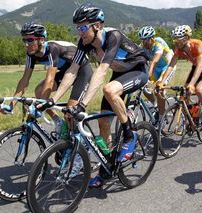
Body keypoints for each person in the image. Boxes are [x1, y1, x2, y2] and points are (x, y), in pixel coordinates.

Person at [40, 3, 149, 188]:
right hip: (119, 74)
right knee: (103, 123)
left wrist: (82, 104)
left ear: (97, 25)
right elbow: (72, 71)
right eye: (77, 27)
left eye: (83, 27)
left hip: (138, 69)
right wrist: (53, 99)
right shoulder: (84, 43)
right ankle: (107, 168)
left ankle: (130, 135)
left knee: (109, 89)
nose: (80, 32)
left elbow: (101, 72)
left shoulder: (112, 37)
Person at [0, 23, 93, 138]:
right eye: (24, 40)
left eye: (30, 40)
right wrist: (11, 105)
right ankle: (57, 121)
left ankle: (82, 146)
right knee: (39, 91)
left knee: (70, 113)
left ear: (41, 40)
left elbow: (50, 80)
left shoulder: (51, 49)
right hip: (66, 71)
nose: (26, 44)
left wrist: (41, 106)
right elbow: (24, 80)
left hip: (82, 71)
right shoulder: (31, 53)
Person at [156, 25, 202, 128]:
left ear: (186, 38)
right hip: (196, 66)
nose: (175, 42)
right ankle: (190, 118)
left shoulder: (198, 45)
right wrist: (162, 81)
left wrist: (192, 84)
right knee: (185, 93)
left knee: (198, 90)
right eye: (174, 39)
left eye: (178, 39)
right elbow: (171, 65)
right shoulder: (178, 48)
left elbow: (199, 66)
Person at [138, 26, 175, 123]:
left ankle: (162, 118)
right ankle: (156, 106)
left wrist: (148, 76)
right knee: (143, 86)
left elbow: (154, 62)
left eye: (146, 40)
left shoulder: (158, 43)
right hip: (157, 69)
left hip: (167, 67)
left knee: (158, 90)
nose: (144, 42)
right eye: (142, 40)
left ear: (152, 38)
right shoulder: (142, 46)